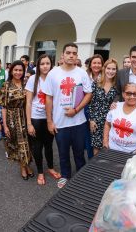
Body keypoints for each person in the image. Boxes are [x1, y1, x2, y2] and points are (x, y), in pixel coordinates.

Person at [44, 43, 92, 189]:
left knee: (79, 153)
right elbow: (48, 98)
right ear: (63, 55)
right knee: (63, 153)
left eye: (74, 53)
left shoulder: (82, 73)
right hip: (60, 123)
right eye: (68, 52)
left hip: (79, 122)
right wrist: (49, 121)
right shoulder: (53, 73)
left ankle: (81, 176)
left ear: (77, 56)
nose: (71, 55)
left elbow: (88, 94)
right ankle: (65, 176)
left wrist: (76, 110)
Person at [26, 54, 61, 186]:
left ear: (51, 65)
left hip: (50, 118)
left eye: (47, 63)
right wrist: (29, 123)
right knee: (37, 146)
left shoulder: (54, 78)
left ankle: (50, 167)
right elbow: (28, 102)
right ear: (38, 66)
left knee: (48, 145)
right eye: (42, 64)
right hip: (36, 118)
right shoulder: (33, 80)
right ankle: (40, 171)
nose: (45, 66)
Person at [0, 60, 34, 180]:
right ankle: (22, 167)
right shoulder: (6, 85)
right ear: (11, 71)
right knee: (18, 144)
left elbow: (29, 102)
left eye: (20, 70)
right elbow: (3, 107)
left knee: (27, 144)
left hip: (24, 117)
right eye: (16, 70)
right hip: (12, 119)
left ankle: (27, 165)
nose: (18, 72)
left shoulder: (26, 84)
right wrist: (5, 126)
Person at [103, 83, 136, 153]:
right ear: (123, 94)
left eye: (135, 94)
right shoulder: (115, 107)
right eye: (128, 93)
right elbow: (107, 124)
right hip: (111, 148)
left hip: (132, 152)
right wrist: (105, 142)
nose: (132, 96)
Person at [88, 59, 119, 155]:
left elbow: (120, 98)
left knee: (109, 147)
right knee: (96, 148)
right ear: (104, 69)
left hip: (110, 121)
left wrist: (116, 102)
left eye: (113, 69)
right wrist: (91, 119)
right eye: (108, 68)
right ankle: (95, 168)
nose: (111, 71)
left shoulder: (117, 85)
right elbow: (90, 103)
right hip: (96, 121)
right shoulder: (96, 83)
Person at [85, 54, 104, 158]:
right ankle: (90, 161)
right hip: (85, 108)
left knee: (100, 140)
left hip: (101, 112)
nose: (96, 65)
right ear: (90, 65)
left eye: (99, 63)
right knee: (89, 139)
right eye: (94, 63)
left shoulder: (106, 77)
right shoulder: (85, 76)